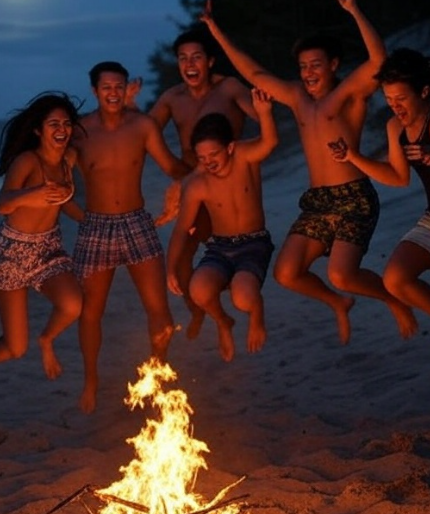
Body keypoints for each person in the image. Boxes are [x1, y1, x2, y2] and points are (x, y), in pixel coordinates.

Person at [200, 0, 417, 345]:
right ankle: (338, 303)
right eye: (302, 67)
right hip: (318, 202)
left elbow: (379, 60)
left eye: (316, 65)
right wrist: (215, 31)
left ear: (333, 64)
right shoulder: (297, 97)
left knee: (342, 273)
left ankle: (392, 299)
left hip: (353, 199)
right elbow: (253, 73)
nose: (308, 73)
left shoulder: (350, 93)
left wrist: (354, 10)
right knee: (286, 273)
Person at [328, 48, 430, 367]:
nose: (394, 106)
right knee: (395, 279)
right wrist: (352, 157)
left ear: (424, 91)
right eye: (388, 99)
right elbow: (398, 177)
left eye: (401, 98)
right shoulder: (395, 128)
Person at [72, 60, 191, 414]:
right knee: (91, 311)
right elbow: (54, 167)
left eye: (119, 86)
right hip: (96, 225)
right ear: (94, 91)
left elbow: (171, 166)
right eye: (106, 87)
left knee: (161, 312)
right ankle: (91, 381)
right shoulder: (80, 130)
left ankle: (156, 374)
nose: (113, 92)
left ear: (127, 90)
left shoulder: (142, 125)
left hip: (137, 222)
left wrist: (205, 172)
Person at [131, 26, 260, 339]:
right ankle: (202, 311)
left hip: (225, 186)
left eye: (197, 57)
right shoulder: (172, 98)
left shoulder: (229, 88)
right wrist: (131, 106)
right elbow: (143, 132)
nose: (189, 64)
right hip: (192, 188)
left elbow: (261, 118)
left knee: (230, 256)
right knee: (181, 261)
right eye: (182, 58)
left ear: (210, 61)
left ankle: (232, 304)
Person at [0, 93, 84, 404]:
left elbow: (67, 201)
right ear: (38, 130)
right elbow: (3, 204)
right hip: (12, 252)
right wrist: (34, 193)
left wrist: (89, 221)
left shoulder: (69, 159)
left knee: (73, 304)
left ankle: (46, 339)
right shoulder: (27, 161)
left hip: (48, 246)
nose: (61, 129)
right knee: (15, 348)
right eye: (53, 124)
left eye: (66, 123)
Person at [167, 90, 278, 361]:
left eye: (213, 154)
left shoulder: (245, 156)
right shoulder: (197, 184)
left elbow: (269, 142)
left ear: (230, 147)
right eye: (202, 158)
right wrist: (170, 268)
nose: (208, 163)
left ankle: (257, 317)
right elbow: (182, 229)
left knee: (243, 297)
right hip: (221, 247)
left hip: (253, 244)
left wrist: (264, 114)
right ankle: (222, 322)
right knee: (198, 290)